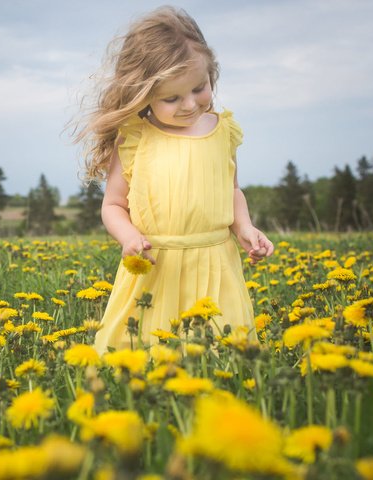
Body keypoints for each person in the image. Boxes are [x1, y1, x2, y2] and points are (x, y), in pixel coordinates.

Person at [74, 6, 274, 353]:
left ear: (211, 74)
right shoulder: (135, 137)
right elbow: (113, 204)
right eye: (171, 98)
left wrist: (244, 227)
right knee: (145, 354)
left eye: (199, 88)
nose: (189, 105)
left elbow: (231, 189)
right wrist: (128, 237)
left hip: (215, 264)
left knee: (220, 354)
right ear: (143, 93)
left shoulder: (222, 131)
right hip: (157, 267)